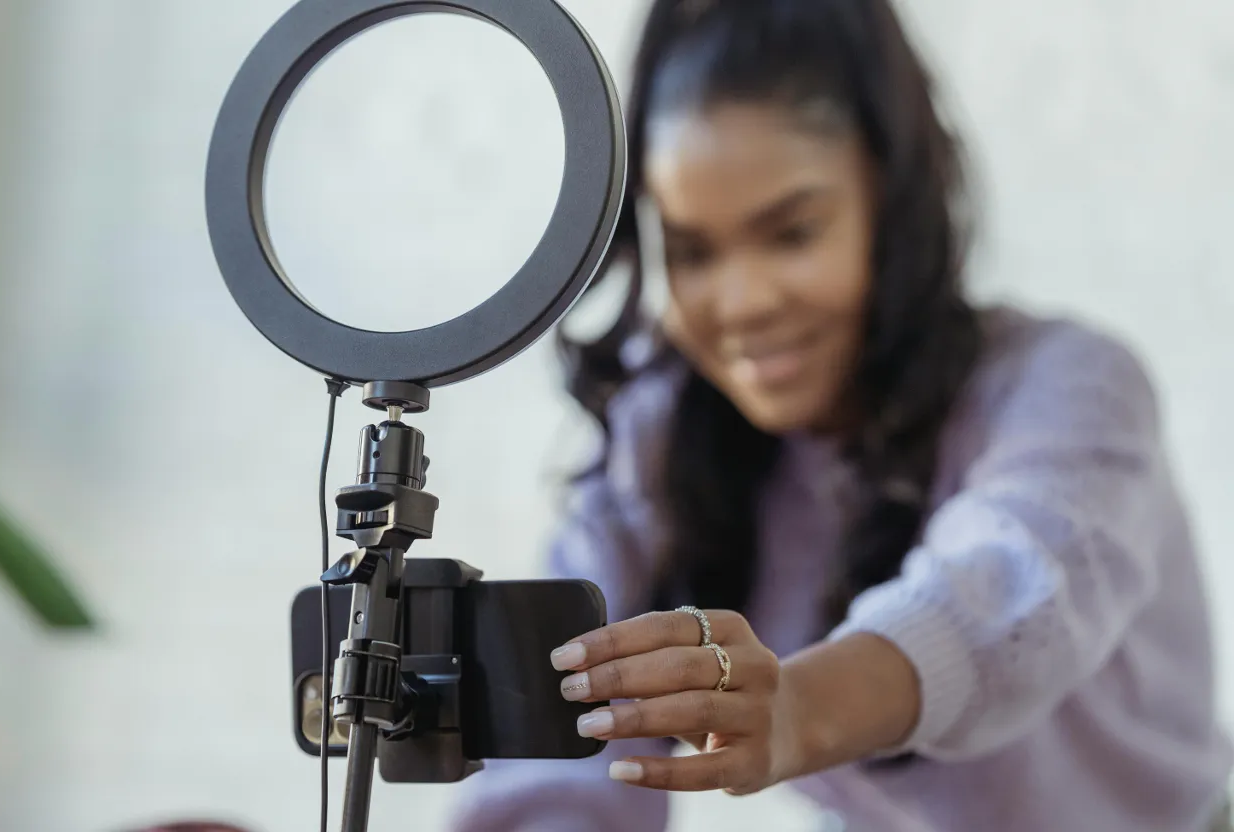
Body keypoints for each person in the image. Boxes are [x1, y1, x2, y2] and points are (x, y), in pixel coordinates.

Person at [449, 0, 1232, 829]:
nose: (742, 303)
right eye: (693, 252)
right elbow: (551, 754)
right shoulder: (659, 438)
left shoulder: (1070, 387)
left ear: (888, 201)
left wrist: (795, 711)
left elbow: (1003, 596)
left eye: (792, 233)